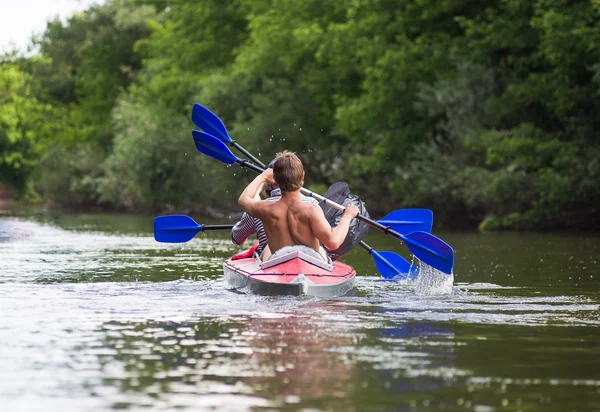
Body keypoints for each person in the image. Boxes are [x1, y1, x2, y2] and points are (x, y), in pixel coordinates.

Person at [238, 150, 360, 262]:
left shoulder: (265, 209)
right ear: (302, 177)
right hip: (310, 264)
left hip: (278, 263)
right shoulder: (312, 209)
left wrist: (262, 176)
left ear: (274, 179)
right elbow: (333, 242)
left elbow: (243, 199)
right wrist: (347, 216)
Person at [231, 156, 319, 260]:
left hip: (272, 259)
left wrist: (262, 179)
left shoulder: (259, 208)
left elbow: (237, 239)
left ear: (268, 182)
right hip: (309, 258)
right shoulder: (313, 203)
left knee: (261, 246)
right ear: (300, 176)